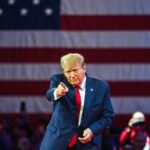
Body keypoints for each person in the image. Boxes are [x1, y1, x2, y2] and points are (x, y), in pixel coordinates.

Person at [40, 53, 115, 150]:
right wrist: (57, 92)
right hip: (58, 141)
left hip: (88, 143)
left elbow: (108, 115)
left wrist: (92, 130)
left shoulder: (101, 87)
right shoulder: (58, 80)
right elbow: (50, 94)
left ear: (84, 68)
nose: (72, 75)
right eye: (68, 72)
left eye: (75, 70)